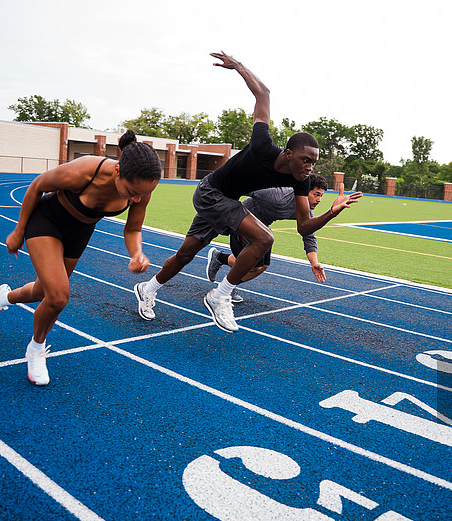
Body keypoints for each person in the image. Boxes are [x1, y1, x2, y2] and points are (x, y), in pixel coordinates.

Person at [133, 52, 361, 333]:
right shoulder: (262, 145)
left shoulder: (301, 181)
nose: (309, 167)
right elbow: (263, 94)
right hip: (210, 193)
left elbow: (304, 227)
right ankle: (220, 295)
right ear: (289, 154)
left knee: (186, 254)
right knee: (264, 237)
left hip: (226, 202)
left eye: (314, 162)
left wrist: (332, 211)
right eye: (305, 160)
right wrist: (238, 66)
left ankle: (148, 287)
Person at [0, 131, 163, 386]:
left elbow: (133, 229)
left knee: (43, 293)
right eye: (132, 192)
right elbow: (37, 186)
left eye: (143, 194)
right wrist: (19, 231)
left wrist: (137, 253)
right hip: (47, 221)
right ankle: (36, 348)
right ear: (119, 171)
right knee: (58, 296)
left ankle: (4, 297)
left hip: (79, 232)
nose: (137, 199)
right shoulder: (85, 171)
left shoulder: (141, 189)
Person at [206, 173, 355, 302]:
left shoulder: (306, 212)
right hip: (243, 220)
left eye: (321, 196)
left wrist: (314, 263)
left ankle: (220, 259)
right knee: (253, 264)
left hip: (262, 228)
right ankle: (225, 289)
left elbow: (309, 237)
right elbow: (244, 186)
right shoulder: (277, 196)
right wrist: (217, 203)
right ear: (303, 191)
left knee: (262, 267)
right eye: (316, 194)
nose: (319, 200)